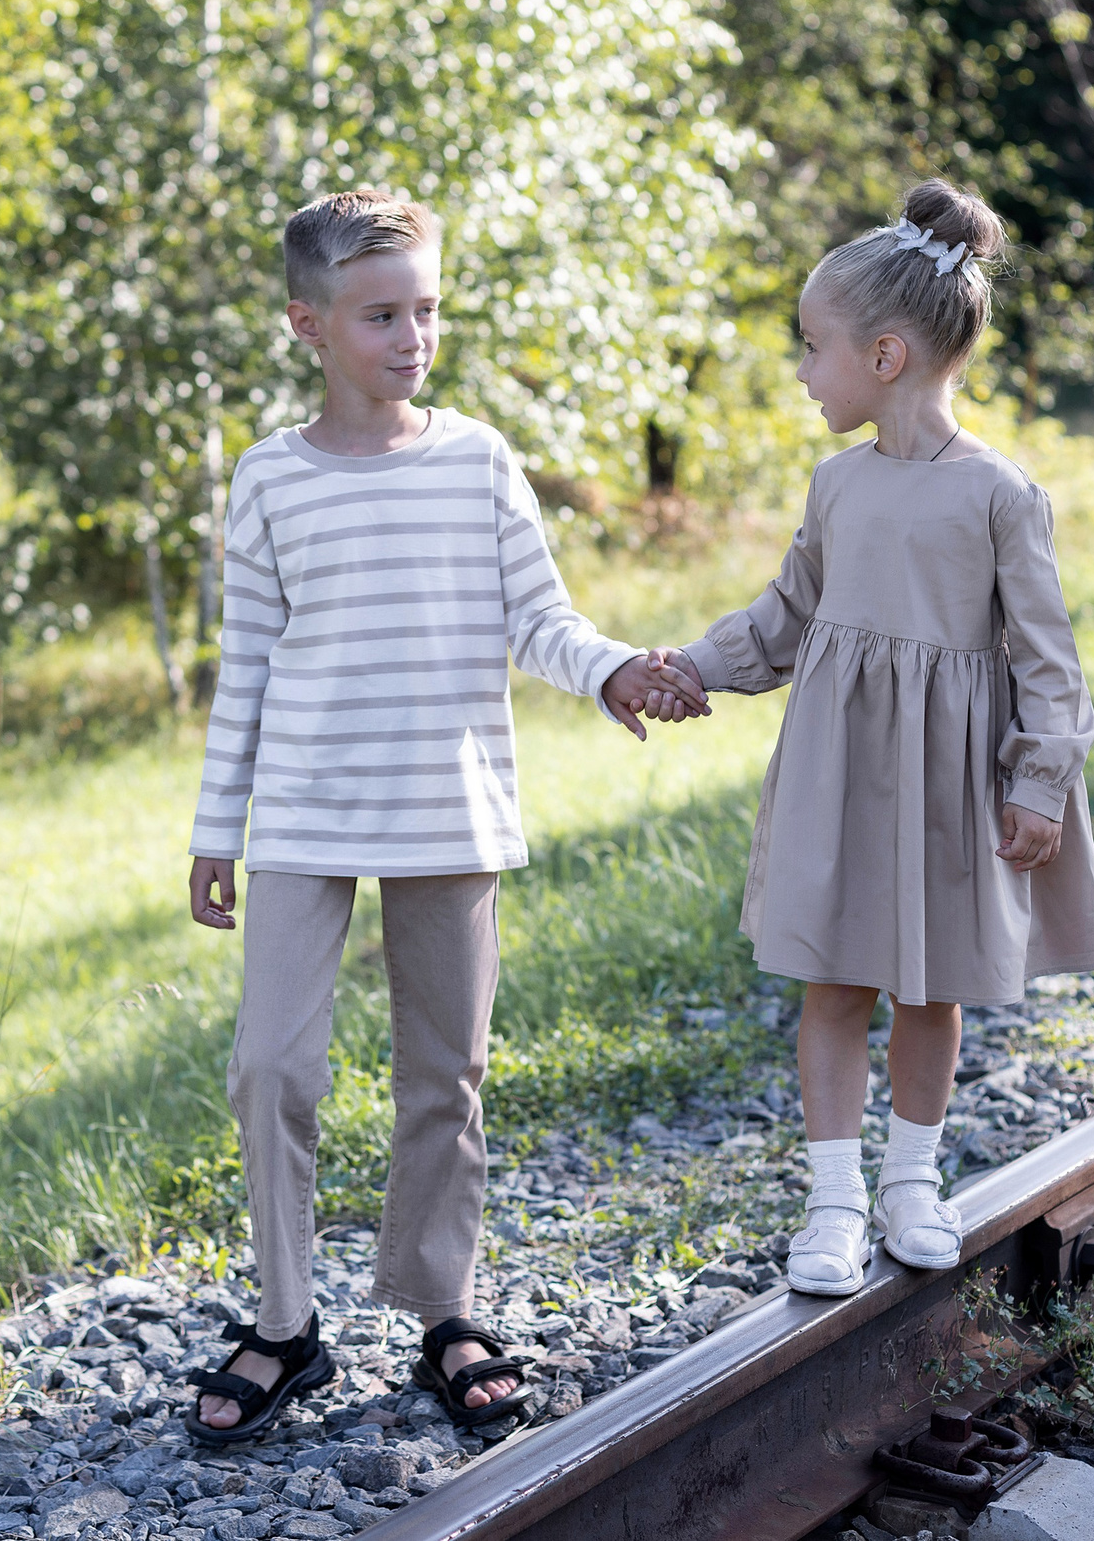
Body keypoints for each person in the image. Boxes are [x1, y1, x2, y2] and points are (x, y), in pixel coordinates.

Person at [182, 188, 706, 1442]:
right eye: (379, 315)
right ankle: (284, 1319)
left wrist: (613, 670)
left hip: (447, 809)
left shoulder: (476, 461)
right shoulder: (266, 480)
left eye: (425, 308)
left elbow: (539, 618)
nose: (411, 335)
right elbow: (244, 666)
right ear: (308, 324)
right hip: (305, 815)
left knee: (445, 1075)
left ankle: (442, 1307)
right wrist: (216, 832)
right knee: (271, 1065)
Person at [639, 179, 1094, 1295]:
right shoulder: (837, 484)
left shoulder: (999, 495)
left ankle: (911, 1179)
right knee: (830, 982)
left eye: (815, 348)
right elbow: (787, 617)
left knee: (928, 985)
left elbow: (1049, 659)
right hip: (842, 773)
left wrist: (1039, 782)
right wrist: (693, 668)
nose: (804, 372)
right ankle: (834, 1200)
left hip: (948, 781)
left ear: (886, 358)